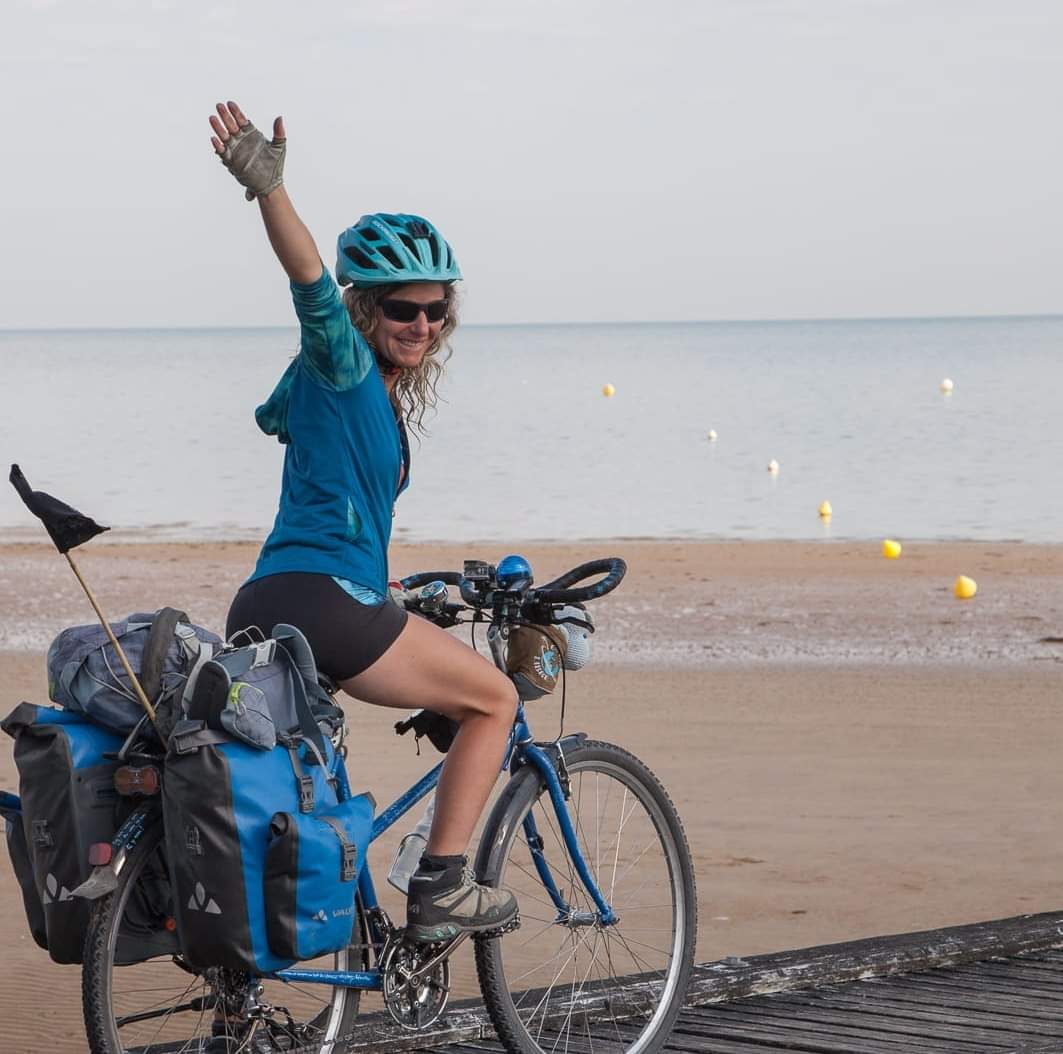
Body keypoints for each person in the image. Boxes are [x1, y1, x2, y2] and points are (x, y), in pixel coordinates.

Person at [210, 100, 518, 944]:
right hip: (328, 603)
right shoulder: (342, 365)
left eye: (435, 311)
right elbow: (310, 284)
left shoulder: (345, 391)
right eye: (400, 309)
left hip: (266, 600)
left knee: (306, 795)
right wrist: (269, 191)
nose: (420, 325)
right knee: (492, 702)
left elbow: (276, 420)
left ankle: (308, 944)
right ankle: (442, 887)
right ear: (364, 311)